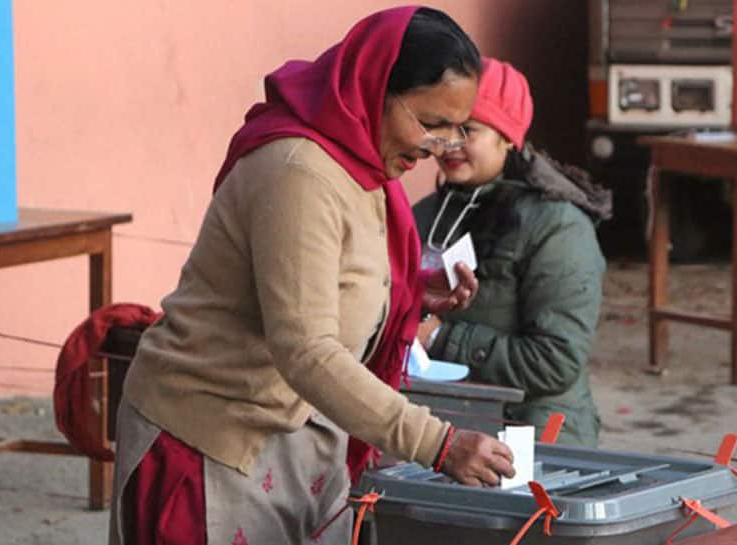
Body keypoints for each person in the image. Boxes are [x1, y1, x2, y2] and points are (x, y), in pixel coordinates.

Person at [109, 8, 515, 545]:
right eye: (430, 123)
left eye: (455, 127)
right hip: (214, 439)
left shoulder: (364, 161)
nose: (438, 146)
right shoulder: (299, 171)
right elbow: (305, 348)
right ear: (374, 89)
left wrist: (406, 290)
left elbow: (322, 271)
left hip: (298, 438)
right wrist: (437, 443)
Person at [413, 58, 612, 447]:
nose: (449, 143)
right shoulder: (424, 215)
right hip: (437, 429)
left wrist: (440, 339)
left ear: (507, 137)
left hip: (532, 438)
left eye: (467, 130)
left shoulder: (557, 226)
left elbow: (556, 361)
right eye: (440, 127)